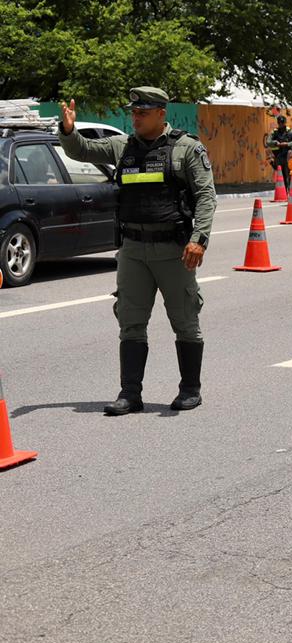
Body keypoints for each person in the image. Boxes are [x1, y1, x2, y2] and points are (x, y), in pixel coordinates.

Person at [58, 88, 216, 414]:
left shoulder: (186, 149)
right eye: (133, 112)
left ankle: (190, 389)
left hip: (174, 250)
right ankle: (130, 394)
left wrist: (198, 239)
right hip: (132, 250)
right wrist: (69, 131)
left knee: (185, 320)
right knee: (130, 322)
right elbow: (82, 150)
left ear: (161, 113)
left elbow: (206, 196)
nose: (136, 117)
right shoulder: (123, 147)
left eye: (142, 112)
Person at [265, 114, 292, 189]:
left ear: (285, 123)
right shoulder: (274, 132)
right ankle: (284, 192)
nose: (281, 124)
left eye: (282, 123)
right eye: (279, 123)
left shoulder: (291, 132)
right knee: (281, 175)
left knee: (289, 175)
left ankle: (291, 191)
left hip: (288, 157)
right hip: (279, 156)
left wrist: (287, 144)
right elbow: (268, 142)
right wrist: (275, 143)